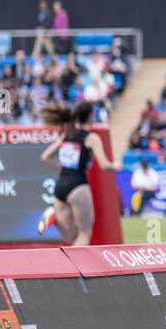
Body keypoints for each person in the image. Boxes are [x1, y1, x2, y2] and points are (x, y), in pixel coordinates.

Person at [38, 101, 119, 245]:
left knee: (71, 237)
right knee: (85, 233)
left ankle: (54, 219)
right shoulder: (91, 138)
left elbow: (45, 157)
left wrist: (63, 170)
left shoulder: (66, 135)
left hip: (60, 186)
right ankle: (76, 268)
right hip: (77, 186)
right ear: (90, 116)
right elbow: (105, 165)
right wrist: (116, 165)